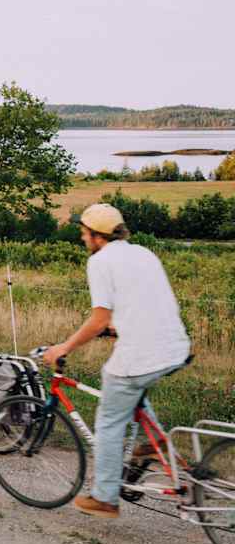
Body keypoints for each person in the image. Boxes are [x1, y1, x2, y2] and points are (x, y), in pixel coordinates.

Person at [41, 203, 191, 520]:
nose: (83, 239)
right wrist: (119, 326)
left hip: (142, 353)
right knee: (132, 391)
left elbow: (98, 318)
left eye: (84, 233)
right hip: (174, 347)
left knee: (109, 419)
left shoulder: (100, 261)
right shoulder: (143, 254)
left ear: (97, 236)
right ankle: (155, 444)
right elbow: (144, 301)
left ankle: (105, 497)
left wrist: (63, 348)